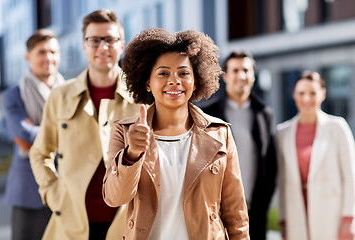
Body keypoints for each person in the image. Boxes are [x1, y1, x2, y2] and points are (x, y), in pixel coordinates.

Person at [102, 28, 250, 239]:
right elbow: (115, 198)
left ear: (196, 81)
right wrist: (132, 154)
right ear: (147, 82)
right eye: (163, 73)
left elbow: (236, 214)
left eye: (183, 73)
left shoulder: (220, 133)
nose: (174, 80)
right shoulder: (124, 131)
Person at [29, 9, 139, 240]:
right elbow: (40, 153)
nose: (102, 47)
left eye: (110, 39)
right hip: (72, 223)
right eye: (94, 40)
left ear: (122, 45)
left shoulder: (141, 96)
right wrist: (53, 194)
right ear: (84, 45)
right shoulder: (60, 95)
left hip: (128, 222)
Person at [201, 49, 277, 239]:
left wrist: (264, 203)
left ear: (253, 76)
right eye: (235, 70)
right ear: (225, 76)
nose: (241, 75)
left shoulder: (264, 114)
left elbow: (270, 164)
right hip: (216, 212)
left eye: (246, 70)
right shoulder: (207, 115)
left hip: (255, 212)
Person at [276, 71, 355, 240]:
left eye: (312, 93)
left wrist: (349, 219)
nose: (306, 99)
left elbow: (350, 176)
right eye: (301, 93)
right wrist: (283, 221)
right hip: (296, 215)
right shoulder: (282, 133)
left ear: (323, 94)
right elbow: (283, 182)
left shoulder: (338, 127)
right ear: (294, 95)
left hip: (331, 214)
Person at [1, 29, 64, 240]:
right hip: (28, 191)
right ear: (28, 57)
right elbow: (22, 135)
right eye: (42, 52)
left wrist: (37, 131)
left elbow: (83, 133)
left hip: (66, 185)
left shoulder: (70, 93)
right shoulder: (13, 95)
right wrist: (64, 132)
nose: (49, 58)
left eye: (53, 52)